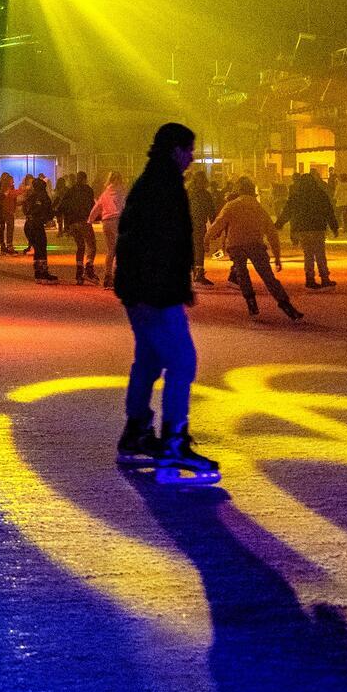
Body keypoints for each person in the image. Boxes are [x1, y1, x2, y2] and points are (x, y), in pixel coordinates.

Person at [111, 123, 219, 484]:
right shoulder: (164, 186)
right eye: (189, 150)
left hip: (140, 289)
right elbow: (162, 245)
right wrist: (169, 290)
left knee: (149, 360)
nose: (191, 157)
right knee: (182, 363)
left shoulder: (151, 182)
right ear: (175, 150)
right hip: (154, 292)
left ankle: (136, 432)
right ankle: (173, 442)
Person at [206, 178, 302, 321]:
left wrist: (207, 238)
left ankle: (251, 302)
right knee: (267, 276)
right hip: (255, 244)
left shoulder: (231, 205)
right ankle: (285, 304)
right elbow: (271, 232)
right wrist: (277, 256)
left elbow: (218, 223)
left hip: (236, 245)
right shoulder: (258, 208)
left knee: (242, 274)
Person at [274, 170, 340, 289]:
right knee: (320, 253)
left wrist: (278, 224)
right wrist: (334, 227)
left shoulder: (296, 195)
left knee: (308, 254)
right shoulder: (320, 194)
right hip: (317, 228)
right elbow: (329, 212)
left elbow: (287, 212)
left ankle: (310, 279)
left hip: (303, 229)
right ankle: (325, 278)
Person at [57, 172, 97, 283]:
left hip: (73, 223)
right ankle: (88, 269)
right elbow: (92, 205)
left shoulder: (70, 190)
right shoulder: (88, 190)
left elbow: (62, 207)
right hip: (84, 221)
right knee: (92, 245)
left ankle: (79, 273)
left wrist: (65, 225)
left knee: (80, 246)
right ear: (85, 179)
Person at [90, 172, 125, 291]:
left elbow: (97, 207)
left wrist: (90, 220)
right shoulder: (121, 192)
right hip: (117, 221)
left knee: (111, 250)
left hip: (106, 222)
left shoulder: (105, 193)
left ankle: (107, 277)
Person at [21, 175, 59, 282]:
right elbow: (48, 212)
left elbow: (25, 209)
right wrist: (55, 211)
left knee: (37, 249)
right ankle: (43, 272)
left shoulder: (31, 196)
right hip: (37, 225)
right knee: (42, 248)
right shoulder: (43, 196)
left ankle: (38, 273)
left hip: (28, 224)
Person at [187, 168, 217, 287]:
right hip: (197, 225)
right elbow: (211, 212)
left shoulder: (189, 192)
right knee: (198, 249)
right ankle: (198, 274)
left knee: (194, 249)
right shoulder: (204, 194)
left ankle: (195, 273)